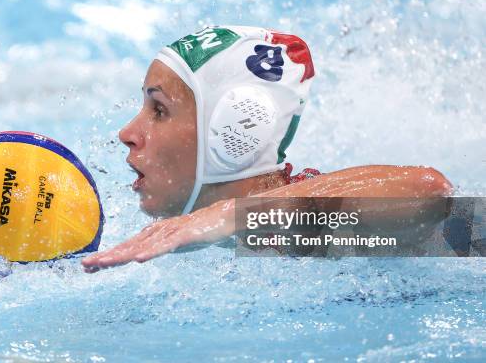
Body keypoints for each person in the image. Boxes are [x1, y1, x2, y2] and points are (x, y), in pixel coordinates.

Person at [81, 25, 452, 272]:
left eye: (159, 110)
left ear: (231, 129)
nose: (127, 133)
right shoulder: (173, 237)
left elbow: (434, 195)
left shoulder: (314, 224)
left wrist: (233, 215)